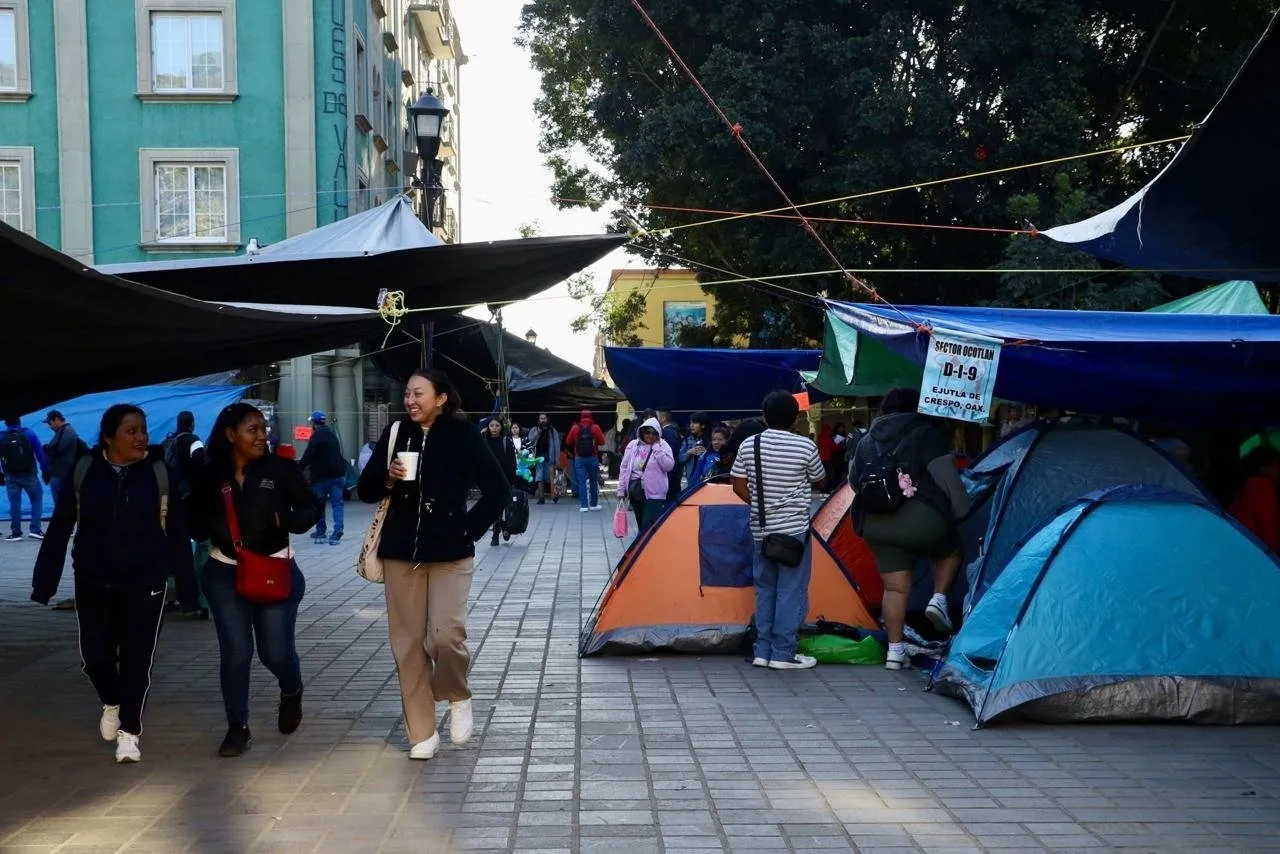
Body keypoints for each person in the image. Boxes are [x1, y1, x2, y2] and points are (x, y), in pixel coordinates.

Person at [31, 404, 199, 764]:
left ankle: (130, 732)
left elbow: (178, 534)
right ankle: (112, 700)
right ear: (109, 437)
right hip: (93, 579)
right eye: (131, 431)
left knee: (138, 659)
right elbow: (60, 527)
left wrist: (187, 592)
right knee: (95, 658)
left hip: (146, 580)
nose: (141, 437)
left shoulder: (158, 473)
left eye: (143, 429)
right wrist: (44, 583)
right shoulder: (86, 471)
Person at [357, 369, 507, 761]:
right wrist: (388, 480)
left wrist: (467, 531)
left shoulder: (463, 435)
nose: (410, 400)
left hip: (450, 553)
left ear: (441, 398)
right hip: (400, 552)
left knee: (444, 635)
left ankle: (457, 695)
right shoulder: (395, 433)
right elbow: (364, 489)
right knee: (406, 644)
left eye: (418, 393)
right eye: (407, 393)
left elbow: (498, 490)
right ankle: (421, 732)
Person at [188, 403, 320, 758]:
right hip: (224, 571)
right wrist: (205, 526)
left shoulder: (282, 469)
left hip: (274, 571)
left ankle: (291, 689)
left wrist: (284, 520)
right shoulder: (210, 473)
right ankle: (237, 727)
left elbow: (311, 509)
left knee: (275, 654)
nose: (262, 436)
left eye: (263, 429)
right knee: (236, 652)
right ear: (231, 434)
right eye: (253, 430)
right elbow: (193, 517)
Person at [849, 388, 971, 670]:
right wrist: (960, 511)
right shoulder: (926, 434)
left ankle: (894, 652)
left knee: (894, 588)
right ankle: (938, 599)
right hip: (922, 519)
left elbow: (854, 483)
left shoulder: (866, 440)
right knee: (950, 550)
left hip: (875, 523)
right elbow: (947, 480)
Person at [731, 391, 826, 671]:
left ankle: (762, 651)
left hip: (761, 531)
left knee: (764, 590)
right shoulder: (805, 447)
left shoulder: (750, 444)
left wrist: (761, 505)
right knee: (790, 591)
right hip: (794, 531)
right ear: (795, 417)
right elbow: (821, 480)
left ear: (764, 417)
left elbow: (738, 485)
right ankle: (783, 654)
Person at [617, 417, 675, 534]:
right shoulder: (633, 445)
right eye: (647, 432)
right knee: (641, 525)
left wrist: (657, 449)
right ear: (642, 431)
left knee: (648, 526)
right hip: (636, 491)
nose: (650, 436)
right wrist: (621, 489)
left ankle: (646, 548)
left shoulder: (663, 445)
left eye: (654, 433)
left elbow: (668, 466)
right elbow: (624, 468)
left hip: (655, 494)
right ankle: (643, 549)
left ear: (658, 433)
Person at [298, 411, 347, 546]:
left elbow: (308, 455)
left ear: (314, 423)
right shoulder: (332, 435)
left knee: (319, 505)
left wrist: (298, 469)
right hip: (337, 476)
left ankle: (321, 532)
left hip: (321, 477)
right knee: (338, 504)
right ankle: (338, 529)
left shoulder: (316, 437)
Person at [3, 416, 47, 541]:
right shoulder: (28, 433)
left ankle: (16, 533)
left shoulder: (2, 437)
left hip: (10, 476)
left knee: (15, 503)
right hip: (29, 474)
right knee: (36, 499)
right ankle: (36, 530)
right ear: (19, 421)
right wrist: (45, 470)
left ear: (5, 423)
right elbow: (39, 453)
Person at [1231, 446, 1280, 553]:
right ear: (1265, 468)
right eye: (1277, 466)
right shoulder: (1263, 490)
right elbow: (1269, 530)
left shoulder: (1247, 487)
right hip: (1262, 551)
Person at [483, 418, 517, 546]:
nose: (494, 428)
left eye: (497, 425)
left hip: (503, 479)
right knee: (490, 508)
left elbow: (511, 462)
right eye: (492, 425)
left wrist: (512, 480)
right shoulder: (483, 441)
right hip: (487, 479)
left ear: (501, 427)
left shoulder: (506, 441)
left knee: (498, 507)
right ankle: (503, 526)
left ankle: (495, 534)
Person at [564, 409, 605, 512]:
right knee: (593, 481)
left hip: (579, 458)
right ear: (591, 416)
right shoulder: (595, 427)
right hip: (593, 458)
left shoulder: (575, 428)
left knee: (581, 482)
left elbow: (568, 441)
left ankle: (584, 506)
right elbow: (602, 441)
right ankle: (593, 504)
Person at [43, 410, 85, 504]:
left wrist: (47, 449)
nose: (50, 427)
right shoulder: (62, 432)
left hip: (62, 475)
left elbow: (59, 449)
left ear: (57, 420)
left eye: (50, 423)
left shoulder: (68, 431)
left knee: (62, 504)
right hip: (59, 474)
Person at [525, 414, 561, 505]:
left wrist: (557, 460)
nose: (543, 420)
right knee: (539, 477)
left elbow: (557, 446)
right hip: (538, 458)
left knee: (552, 478)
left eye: (544, 418)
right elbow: (529, 442)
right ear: (538, 420)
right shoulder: (534, 430)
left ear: (547, 419)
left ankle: (554, 495)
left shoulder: (553, 431)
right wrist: (537, 434)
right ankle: (541, 497)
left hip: (550, 458)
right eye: (541, 418)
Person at [679, 412, 712, 488]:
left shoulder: (711, 440)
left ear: (703, 425)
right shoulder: (687, 440)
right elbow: (680, 459)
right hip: (690, 479)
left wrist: (705, 453)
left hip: (706, 478)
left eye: (695, 422)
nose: (691, 425)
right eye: (691, 422)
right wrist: (689, 452)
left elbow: (716, 458)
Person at [657, 410, 684, 500]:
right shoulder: (674, 430)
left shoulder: (667, 432)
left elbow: (669, 452)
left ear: (663, 418)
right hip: (676, 469)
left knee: (671, 498)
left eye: (658, 416)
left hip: (671, 471)